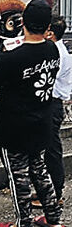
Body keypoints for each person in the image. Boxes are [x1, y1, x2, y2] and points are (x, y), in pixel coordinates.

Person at [0, 0, 65, 227]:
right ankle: (54, 218)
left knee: (18, 174)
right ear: (47, 26)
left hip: (13, 125)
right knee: (39, 170)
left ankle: (24, 224)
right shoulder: (52, 49)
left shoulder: (14, 56)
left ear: (23, 24)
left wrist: (4, 55)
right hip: (41, 120)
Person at [42, 15, 72, 206]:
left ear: (50, 33)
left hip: (52, 104)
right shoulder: (59, 50)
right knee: (46, 148)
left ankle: (56, 193)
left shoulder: (57, 54)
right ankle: (47, 190)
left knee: (52, 149)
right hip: (52, 104)